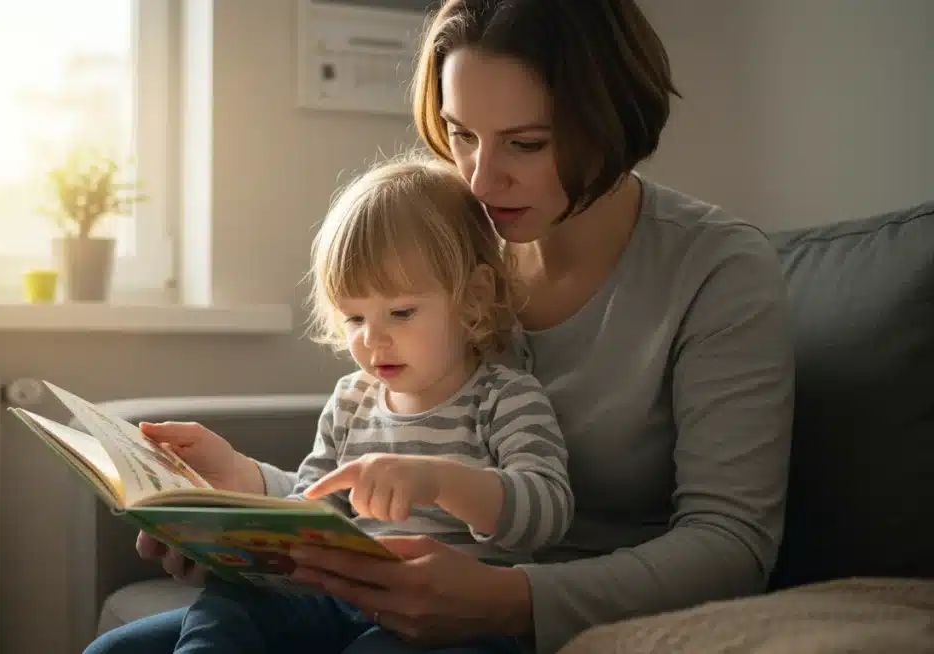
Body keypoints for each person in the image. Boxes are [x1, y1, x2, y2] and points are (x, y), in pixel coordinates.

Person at [85, 0, 796, 652]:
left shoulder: (717, 269)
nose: (482, 181)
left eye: (527, 143)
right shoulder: (454, 238)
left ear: (611, 119)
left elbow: (730, 542)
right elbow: (370, 475)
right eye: (461, 136)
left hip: (531, 608)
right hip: (378, 586)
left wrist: (510, 599)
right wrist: (238, 499)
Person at [170, 155, 574, 654]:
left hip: (455, 620)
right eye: (354, 317)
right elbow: (311, 508)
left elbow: (547, 512)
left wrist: (439, 481)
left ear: (472, 298)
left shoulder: (504, 397)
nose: (373, 339)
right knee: (217, 607)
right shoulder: (350, 400)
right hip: (342, 598)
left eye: (401, 312)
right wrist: (227, 540)